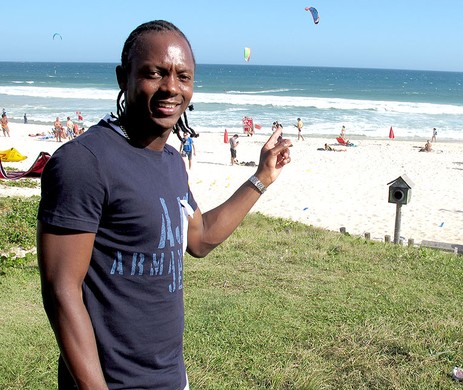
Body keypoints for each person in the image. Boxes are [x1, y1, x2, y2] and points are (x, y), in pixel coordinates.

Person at [37, 20, 291, 390]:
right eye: (154, 73)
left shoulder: (171, 161)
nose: (171, 87)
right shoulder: (84, 162)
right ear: (123, 77)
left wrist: (262, 177)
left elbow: (199, 238)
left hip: (171, 377)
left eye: (183, 76)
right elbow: (61, 290)